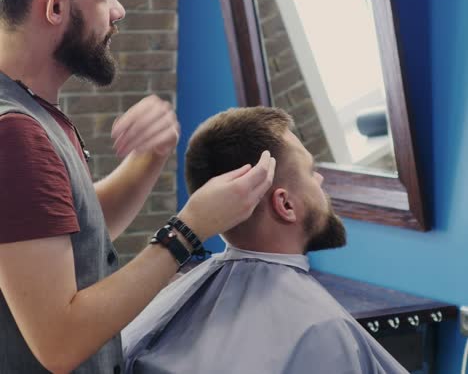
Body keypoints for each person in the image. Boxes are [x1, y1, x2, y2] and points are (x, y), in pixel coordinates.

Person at [0, 0, 276, 373]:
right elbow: (60, 342)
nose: (119, 11)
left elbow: (71, 238)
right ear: (56, 6)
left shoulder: (33, 113)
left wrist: (150, 158)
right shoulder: (15, 135)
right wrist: (188, 230)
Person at [122, 107, 408, 374]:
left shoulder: (155, 307)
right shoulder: (320, 330)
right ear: (285, 205)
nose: (319, 179)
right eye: (310, 171)